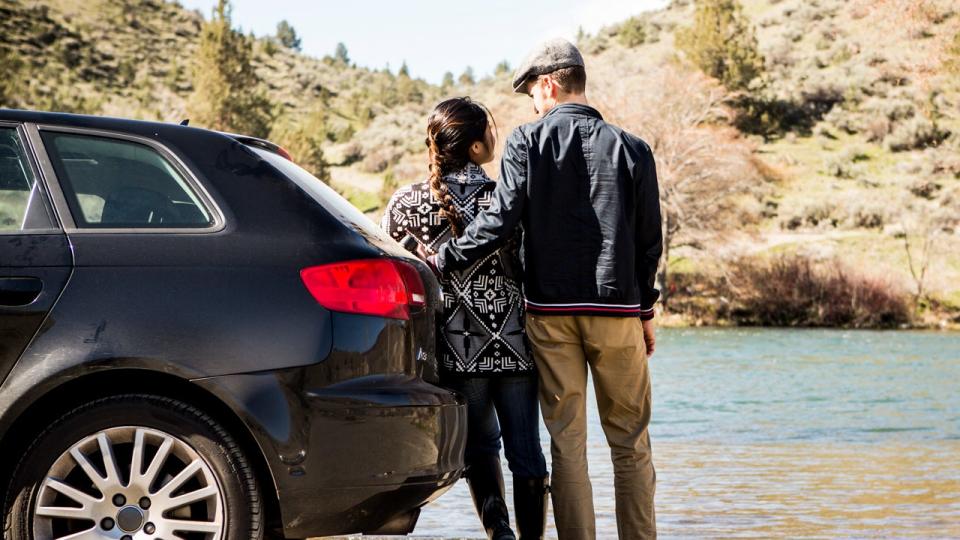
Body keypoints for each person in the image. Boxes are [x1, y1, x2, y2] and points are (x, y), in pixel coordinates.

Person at [427, 39, 663, 540]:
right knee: (630, 444)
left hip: (550, 315)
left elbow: (498, 221)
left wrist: (445, 256)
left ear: (549, 85)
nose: (532, 105)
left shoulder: (524, 142)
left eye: (533, 93)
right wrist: (646, 310)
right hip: (618, 312)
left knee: (567, 444)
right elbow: (649, 243)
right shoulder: (634, 149)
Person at [380, 97, 549, 540]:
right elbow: (535, 266)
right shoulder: (507, 197)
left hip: (456, 346)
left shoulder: (405, 202)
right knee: (526, 450)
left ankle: (500, 533)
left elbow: (393, 274)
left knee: (480, 448)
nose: (495, 137)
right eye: (490, 132)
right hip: (515, 343)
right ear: (475, 146)